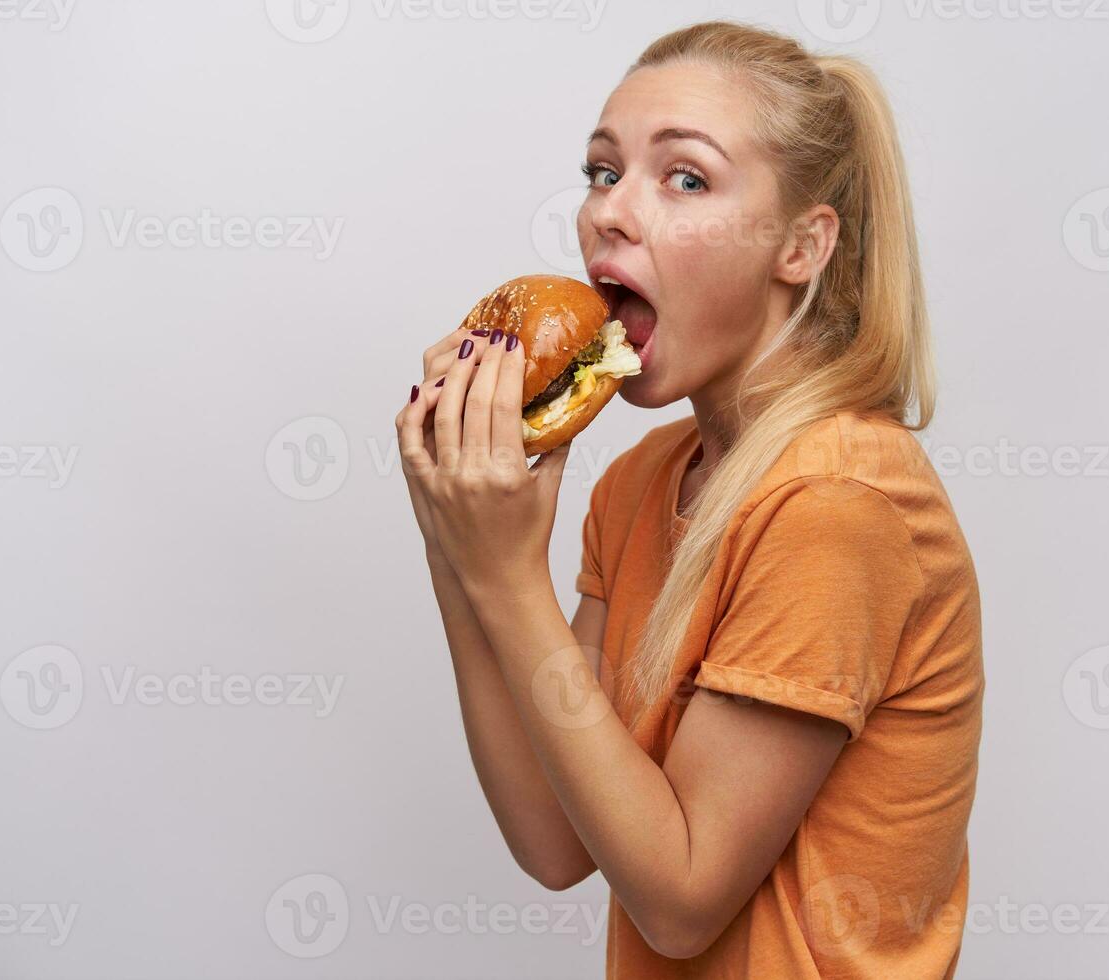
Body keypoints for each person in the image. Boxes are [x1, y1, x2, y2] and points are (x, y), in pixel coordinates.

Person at [395, 19, 983, 979]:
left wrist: (506, 577)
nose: (609, 214)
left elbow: (679, 900)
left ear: (800, 246)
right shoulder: (639, 482)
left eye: (686, 178)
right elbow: (556, 842)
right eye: (600, 171)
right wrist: (457, 544)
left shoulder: (838, 502)